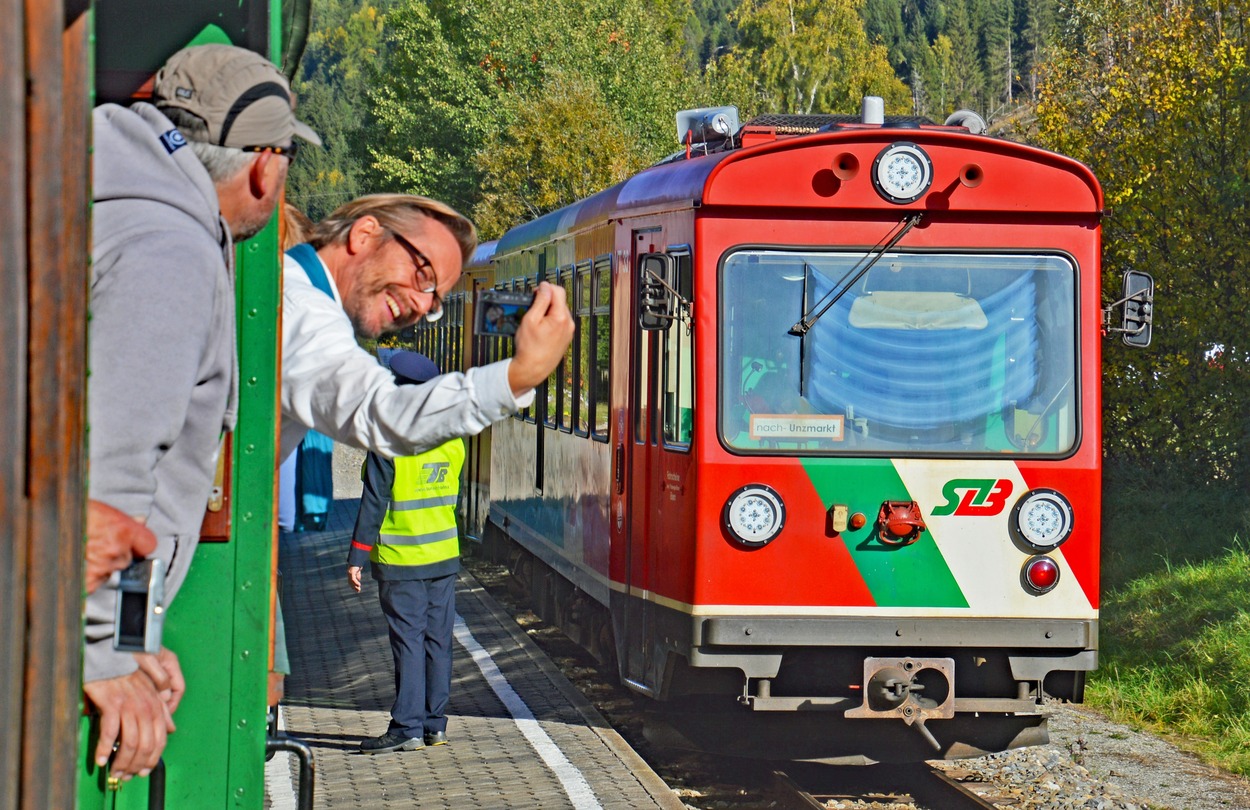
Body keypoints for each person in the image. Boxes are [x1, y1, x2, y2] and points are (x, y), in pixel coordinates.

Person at [84, 42, 320, 782]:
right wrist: (99, 649)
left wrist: (132, 636)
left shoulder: (105, 194)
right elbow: (110, 471)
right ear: (263, 163)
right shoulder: (169, 251)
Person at [279, 193, 574, 463]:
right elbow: (382, 413)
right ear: (364, 234)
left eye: (434, 301)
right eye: (424, 276)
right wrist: (521, 374)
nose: (421, 306)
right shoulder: (301, 308)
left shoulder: (292, 292)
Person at [348, 351, 463, 753]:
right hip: (444, 556)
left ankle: (407, 728)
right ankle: (435, 725)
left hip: (402, 559)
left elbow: (374, 499)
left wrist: (357, 555)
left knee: (408, 642)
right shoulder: (451, 434)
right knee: (438, 641)